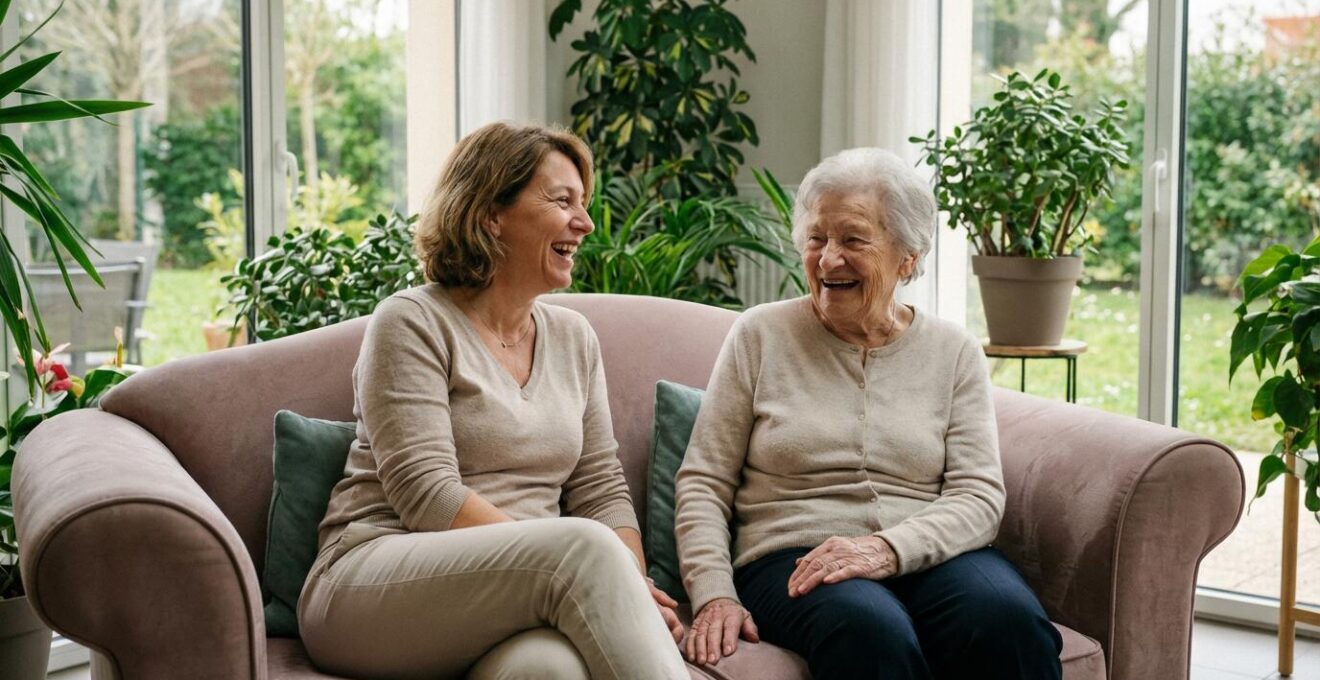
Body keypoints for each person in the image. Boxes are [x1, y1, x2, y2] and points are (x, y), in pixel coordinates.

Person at [299, 121, 688, 680]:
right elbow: (426, 495)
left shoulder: (574, 338)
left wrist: (627, 585)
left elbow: (601, 488)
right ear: (490, 214)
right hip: (373, 580)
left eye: (584, 203)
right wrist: (574, 563)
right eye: (562, 201)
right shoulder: (412, 321)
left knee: (549, 670)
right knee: (583, 548)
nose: (585, 222)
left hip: (520, 593)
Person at [674, 148, 1063, 679]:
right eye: (817, 239)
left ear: (908, 256)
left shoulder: (953, 351)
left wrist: (888, 549)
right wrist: (714, 592)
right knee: (870, 632)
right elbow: (703, 482)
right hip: (791, 556)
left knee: (1009, 622)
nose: (829, 258)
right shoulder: (760, 334)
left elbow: (978, 495)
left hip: (927, 549)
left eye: (853, 240)